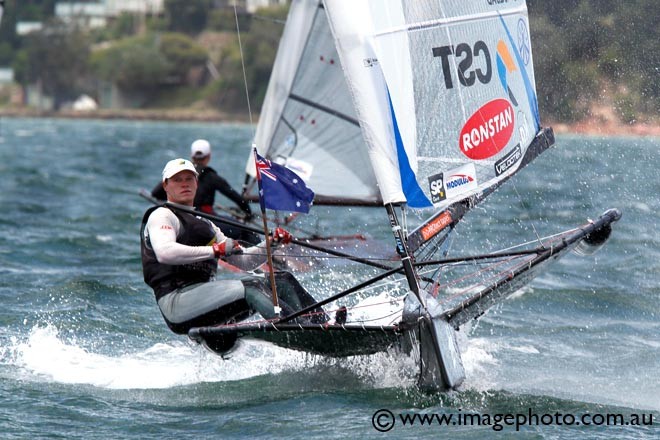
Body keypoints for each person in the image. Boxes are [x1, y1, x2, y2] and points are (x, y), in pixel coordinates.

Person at [141, 158, 325, 339]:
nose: (184, 184)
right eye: (177, 180)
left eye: (189, 179)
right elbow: (165, 253)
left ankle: (324, 323)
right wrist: (216, 250)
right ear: (165, 186)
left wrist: (272, 243)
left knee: (282, 280)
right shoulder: (162, 215)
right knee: (251, 287)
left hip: (206, 300)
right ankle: (297, 332)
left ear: (196, 183)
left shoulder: (207, 225)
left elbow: (244, 262)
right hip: (177, 304)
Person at [151, 139, 253, 221]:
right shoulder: (212, 177)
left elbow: (155, 193)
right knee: (242, 230)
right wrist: (248, 212)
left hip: (182, 215)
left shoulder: (178, 174)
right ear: (208, 156)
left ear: (192, 156)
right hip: (206, 218)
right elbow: (234, 196)